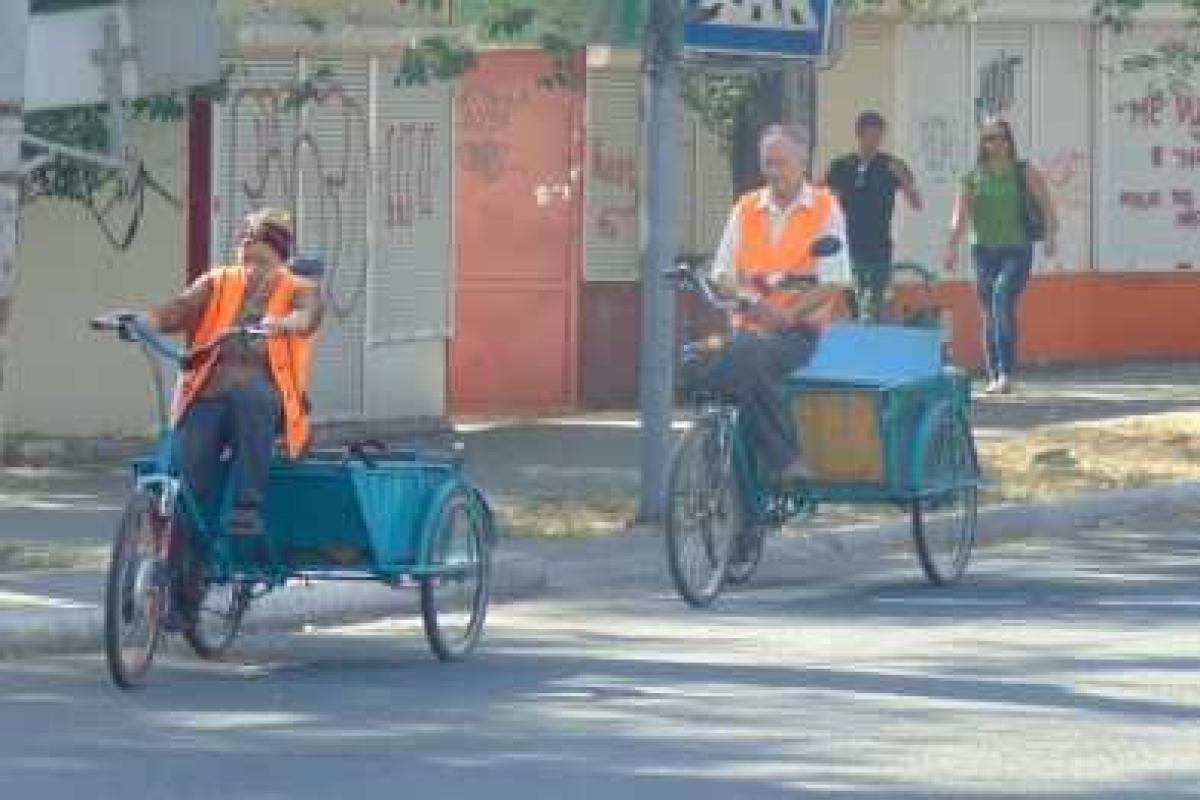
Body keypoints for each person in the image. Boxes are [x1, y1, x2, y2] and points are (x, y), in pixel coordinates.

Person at [141, 208, 322, 623]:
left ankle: (247, 503)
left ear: (280, 257)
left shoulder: (299, 288)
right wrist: (142, 320)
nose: (252, 267)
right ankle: (182, 594)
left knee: (251, 397)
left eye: (262, 259)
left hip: (267, 399)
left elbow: (307, 315)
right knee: (187, 491)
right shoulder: (219, 281)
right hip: (209, 394)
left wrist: (282, 323)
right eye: (247, 256)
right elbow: (180, 308)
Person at [709, 124, 852, 483]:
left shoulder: (825, 207)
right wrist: (754, 303)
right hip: (749, 327)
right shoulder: (746, 208)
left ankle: (783, 463)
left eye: (781, 163)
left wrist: (786, 315)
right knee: (709, 359)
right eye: (767, 163)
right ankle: (766, 465)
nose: (773, 172)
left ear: (803, 164)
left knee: (746, 361)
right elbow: (722, 274)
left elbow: (833, 280)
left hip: (799, 331)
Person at [944, 117, 1058, 394]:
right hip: (982, 252)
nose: (995, 143)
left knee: (1001, 296)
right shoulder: (972, 177)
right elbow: (959, 216)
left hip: (1016, 249)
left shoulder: (1023, 171)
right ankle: (995, 374)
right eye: (989, 138)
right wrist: (952, 247)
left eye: (1000, 137)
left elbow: (1045, 203)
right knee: (990, 311)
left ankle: (1006, 371)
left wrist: (1050, 236)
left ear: (1009, 141)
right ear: (982, 143)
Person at [825, 110, 923, 322]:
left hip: (880, 247)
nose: (875, 142)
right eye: (870, 136)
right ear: (858, 135)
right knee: (854, 304)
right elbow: (827, 204)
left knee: (875, 304)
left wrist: (903, 179)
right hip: (849, 247)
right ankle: (858, 335)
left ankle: (873, 334)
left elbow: (917, 204)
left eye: (879, 136)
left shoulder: (892, 165)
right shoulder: (841, 166)